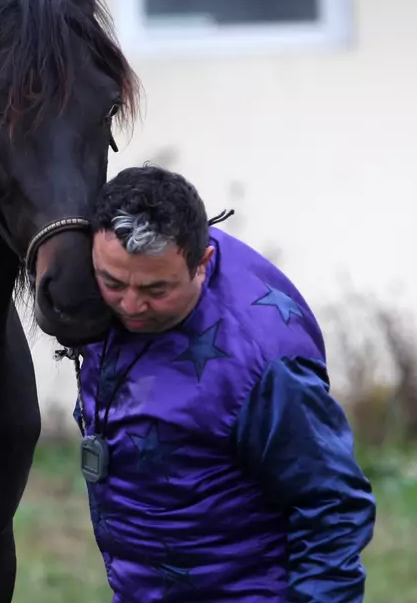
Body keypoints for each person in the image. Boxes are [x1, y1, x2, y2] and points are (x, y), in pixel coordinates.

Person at [62, 165, 376, 602]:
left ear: (202, 262)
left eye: (157, 289)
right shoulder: (99, 291)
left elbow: (332, 505)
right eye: (113, 282)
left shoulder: (265, 366)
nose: (130, 305)